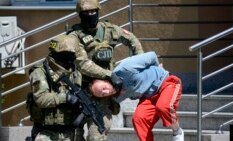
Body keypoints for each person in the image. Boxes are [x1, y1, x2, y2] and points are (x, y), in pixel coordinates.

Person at [67, 0, 144, 140]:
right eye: (86, 12)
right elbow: (83, 64)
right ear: (80, 14)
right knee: (74, 135)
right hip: (81, 91)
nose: (90, 15)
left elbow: (132, 40)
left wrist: (139, 65)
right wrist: (109, 74)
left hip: (104, 95)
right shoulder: (74, 36)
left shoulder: (110, 30)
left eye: (93, 12)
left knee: (96, 136)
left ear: (98, 11)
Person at [89, 51, 184, 141]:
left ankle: (177, 132)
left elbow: (152, 56)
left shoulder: (124, 68)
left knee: (163, 107)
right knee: (138, 118)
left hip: (166, 82)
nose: (106, 92)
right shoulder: (115, 96)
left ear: (106, 80)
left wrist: (158, 70)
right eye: (102, 94)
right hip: (148, 97)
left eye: (104, 88)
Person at [27, 35, 85, 141]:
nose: (73, 57)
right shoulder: (40, 71)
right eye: (70, 54)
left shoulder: (75, 74)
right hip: (46, 132)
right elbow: (41, 99)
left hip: (70, 132)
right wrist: (66, 98)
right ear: (60, 54)